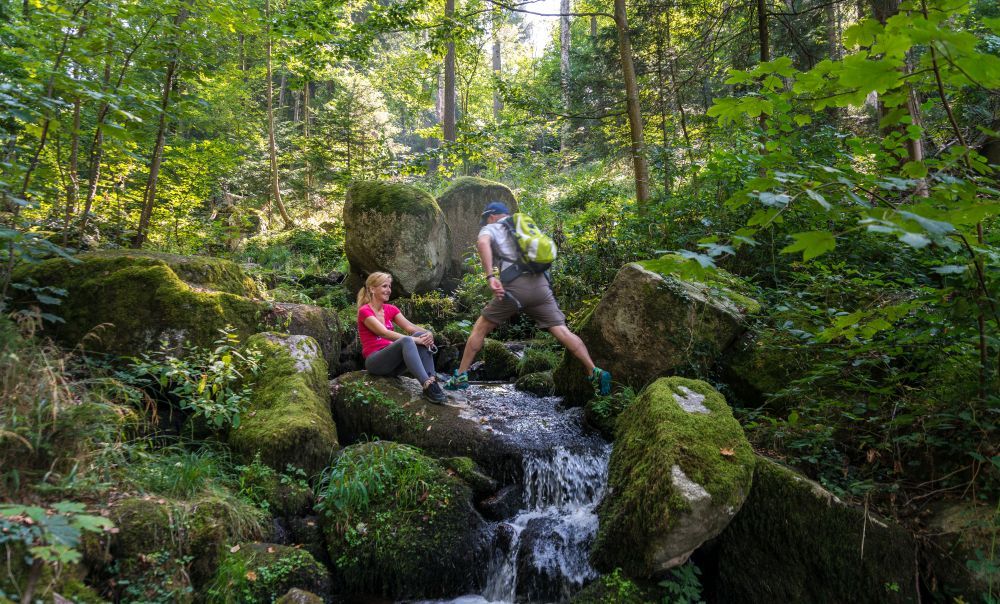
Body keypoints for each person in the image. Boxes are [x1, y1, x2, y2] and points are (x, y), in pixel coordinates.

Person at [444, 201, 611, 395]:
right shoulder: (525, 226)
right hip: (541, 287)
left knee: (480, 328)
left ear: (491, 216)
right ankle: (594, 370)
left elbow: (482, 243)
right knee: (563, 332)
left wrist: (490, 276)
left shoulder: (491, 227)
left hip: (515, 287)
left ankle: (460, 376)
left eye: (485, 219)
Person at [357, 272, 447, 403]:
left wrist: (428, 333)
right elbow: (383, 333)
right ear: (372, 289)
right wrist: (414, 340)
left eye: (389, 286)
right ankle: (426, 384)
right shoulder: (365, 311)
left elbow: (411, 327)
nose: (388, 290)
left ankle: (432, 381)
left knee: (418, 335)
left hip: (393, 366)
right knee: (407, 340)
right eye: (384, 286)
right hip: (376, 362)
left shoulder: (391, 309)